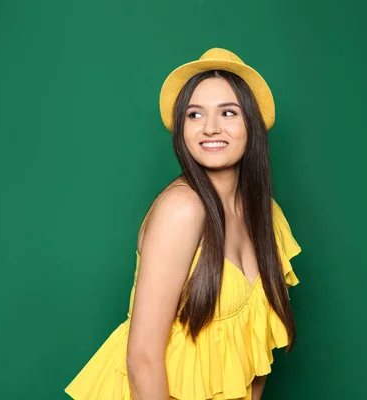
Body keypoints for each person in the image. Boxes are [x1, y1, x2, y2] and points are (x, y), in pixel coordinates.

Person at [64, 47, 302, 400]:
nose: (210, 128)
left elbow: (253, 355)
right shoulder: (182, 209)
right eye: (194, 114)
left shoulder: (263, 213)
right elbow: (142, 359)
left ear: (252, 123)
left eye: (228, 112)